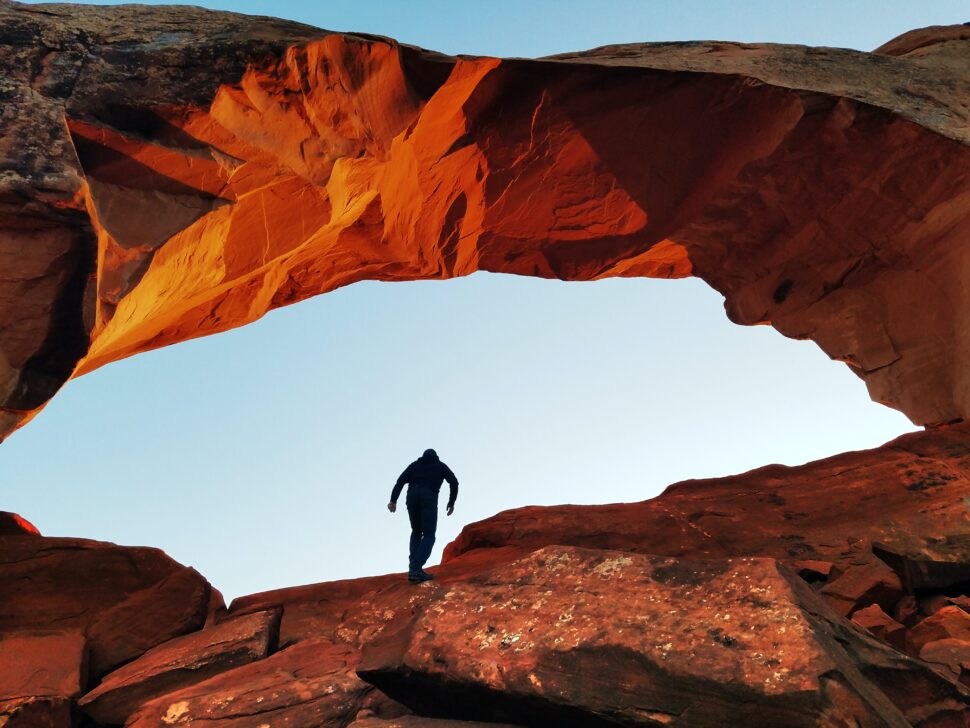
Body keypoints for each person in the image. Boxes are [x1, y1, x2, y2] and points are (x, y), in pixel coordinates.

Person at [388, 448, 459, 583]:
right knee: (429, 534)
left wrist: (393, 500)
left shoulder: (415, 465)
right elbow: (454, 482)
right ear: (436, 457)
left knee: (416, 531)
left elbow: (400, 481)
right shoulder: (440, 466)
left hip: (412, 496)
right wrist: (451, 502)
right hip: (428, 497)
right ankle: (415, 568)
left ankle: (413, 569)